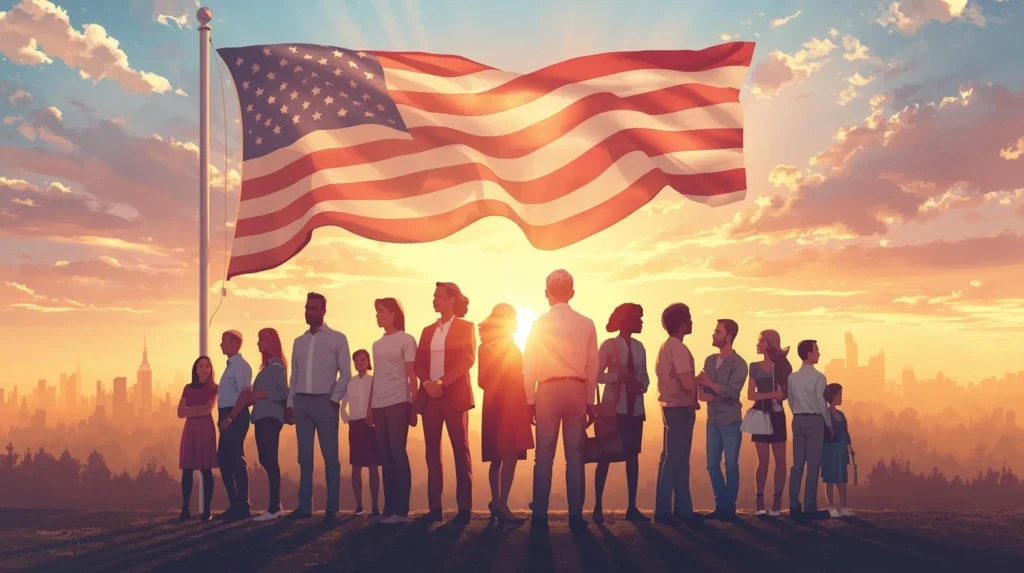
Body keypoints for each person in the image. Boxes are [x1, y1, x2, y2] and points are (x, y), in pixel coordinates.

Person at [524, 269, 599, 532]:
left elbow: (529, 363)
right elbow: (593, 366)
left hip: (547, 389)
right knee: (575, 456)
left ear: (547, 294)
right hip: (577, 389)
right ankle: (576, 515)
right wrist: (590, 400)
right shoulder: (587, 323)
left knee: (543, 457)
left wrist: (530, 400)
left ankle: (541, 514)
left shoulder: (538, 324)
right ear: (573, 292)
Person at [414, 282, 477, 524]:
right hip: (430, 398)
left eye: (439, 296)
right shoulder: (428, 330)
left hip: (455, 397)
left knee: (460, 451)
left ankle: (464, 509)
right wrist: (428, 382)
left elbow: (468, 359)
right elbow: (419, 362)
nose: (434, 300)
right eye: (434, 296)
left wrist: (442, 382)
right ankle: (435, 508)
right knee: (432, 453)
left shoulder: (466, 327)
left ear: (453, 299)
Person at [286, 292, 352, 523]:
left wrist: (334, 399)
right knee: (304, 457)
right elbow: (294, 375)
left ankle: (331, 508)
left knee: (330, 458)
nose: (309, 312)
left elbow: (346, 373)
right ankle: (304, 507)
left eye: (314, 308)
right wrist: (290, 403)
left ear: (324, 311)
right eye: (307, 308)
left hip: (325, 402)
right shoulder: (299, 342)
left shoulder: (337, 339)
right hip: (301, 402)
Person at [593, 303, 651, 524]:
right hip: (613, 410)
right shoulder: (608, 346)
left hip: (634, 409)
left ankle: (632, 506)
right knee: (605, 457)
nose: (641, 322)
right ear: (626, 321)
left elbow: (645, 375)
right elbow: (597, 375)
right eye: (638, 318)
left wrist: (641, 385)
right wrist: (618, 377)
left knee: (632, 457)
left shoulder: (640, 347)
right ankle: (598, 506)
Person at [477, 303, 534, 525]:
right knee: (506, 455)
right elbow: (485, 379)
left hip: (499, 403)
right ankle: (501, 504)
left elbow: (483, 380)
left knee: (500, 456)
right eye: (513, 317)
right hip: (505, 404)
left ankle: (497, 503)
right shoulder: (499, 348)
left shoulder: (493, 346)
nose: (516, 320)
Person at [226, 328, 289, 522]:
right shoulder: (267, 367)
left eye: (261, 339)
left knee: (269, 460)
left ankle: (274, 507)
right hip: (262, 416)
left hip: (270, 417)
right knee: (266, 459)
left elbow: (282, 392)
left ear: (270, 342)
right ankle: (275, 506)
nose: (258, 343)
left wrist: (260, 395)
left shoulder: (277, 366)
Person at [368, 298, 418, 524]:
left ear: (393, 314)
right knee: (384, 455)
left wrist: (414, 405)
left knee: (398, 452)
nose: (377, 315)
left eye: (381, 311)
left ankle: (401, 510)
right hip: (378, 404)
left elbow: (411, 375)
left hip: (399, 401)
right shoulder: (376, 344)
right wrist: (370, 404)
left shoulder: (406, 340)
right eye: (376, 311)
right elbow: (376, 376)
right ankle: (389, 508)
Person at [696, 319, 747, 519]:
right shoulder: (709, 360)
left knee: (732, 465)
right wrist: (714, 392)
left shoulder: (739, 364)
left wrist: (710, 385)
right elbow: (702, 392)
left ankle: (728, 508)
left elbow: (733, 393)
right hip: (712, 420)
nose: (713, 334)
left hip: (731, 421)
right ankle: (721, 506)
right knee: (712, 464)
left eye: (718, 332)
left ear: (729, 337)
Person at [654, 303, 699, 524]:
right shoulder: (679, 348)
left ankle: (682, 509)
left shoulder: (665, 347)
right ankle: (665, 511)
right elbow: (688, 383)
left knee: (673, 458)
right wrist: (703, 380)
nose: (692, 323)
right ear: (682, 324)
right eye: (689, 319)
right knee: (675, 460)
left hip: (668, 407)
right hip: (680, 409)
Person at [747, 330, 792, 517]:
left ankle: (777, 502)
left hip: (777, 414)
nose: (757, 343)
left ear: (771, 344)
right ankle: (759, 501)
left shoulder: (782, 367)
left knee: (780, 459)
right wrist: (771, 395)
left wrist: (779, 394)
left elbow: (785, 395)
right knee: (763, 461)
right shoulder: (754, 366)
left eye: (761, 341)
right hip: (760, 413)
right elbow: (751, 395)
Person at [787, 339, 833, 518]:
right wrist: (828, 424)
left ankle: (793, 506)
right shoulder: (819, 377)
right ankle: (810, 507)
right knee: (813, 466)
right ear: (809, 353)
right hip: (815, 421)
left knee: (797, 465)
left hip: (797, 420)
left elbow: (790, 401)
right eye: (817, 350)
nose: (819, 353)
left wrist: (798, 413)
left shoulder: (792, 377)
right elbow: (822, 404)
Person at [216, 330, 253, 521]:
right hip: (227, 414)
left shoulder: (241, 367)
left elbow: (245, 394)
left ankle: (243, 505)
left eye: (224, 340)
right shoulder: (230, 367)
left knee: (236, 458)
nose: (220, 344)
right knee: (224, 458)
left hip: (234, 415)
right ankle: (235, 503)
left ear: (234, 343)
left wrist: (230, 418)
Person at [177, 356, 218, 522]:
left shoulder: (214, 388)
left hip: (206, 430)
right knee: (187, 469)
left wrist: (190, 411)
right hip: (191, 430)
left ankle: (207, 510)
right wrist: (197, 411)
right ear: (195, 369)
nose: (204, 369)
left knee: (206, 469)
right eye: (201, 366)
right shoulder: (187, 388)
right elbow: (180, 412)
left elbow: (209, 409)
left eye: (207, 366)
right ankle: (185, 508)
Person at [341, 349, 380, 518]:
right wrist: (348, 420)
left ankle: (375, 506)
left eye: (363, 360)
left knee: (373, 467)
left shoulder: (374, 381)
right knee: (356, 467)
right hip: (355, 426)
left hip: (370, 426)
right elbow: (343, 405)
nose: (359, 363)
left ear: (368, 361)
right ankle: (359, 505)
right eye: (356, 360)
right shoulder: (350, 382)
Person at [822, 383, 855, 518]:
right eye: (840, 394)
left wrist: (850, 447)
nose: (841, 397)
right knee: (830, 478)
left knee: (842, 478)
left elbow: (845, 432)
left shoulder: (841, 414)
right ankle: (831, 506)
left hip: (841, 449)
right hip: (829, 449)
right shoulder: (825, 414)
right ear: (833, 396)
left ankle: (843, 506)